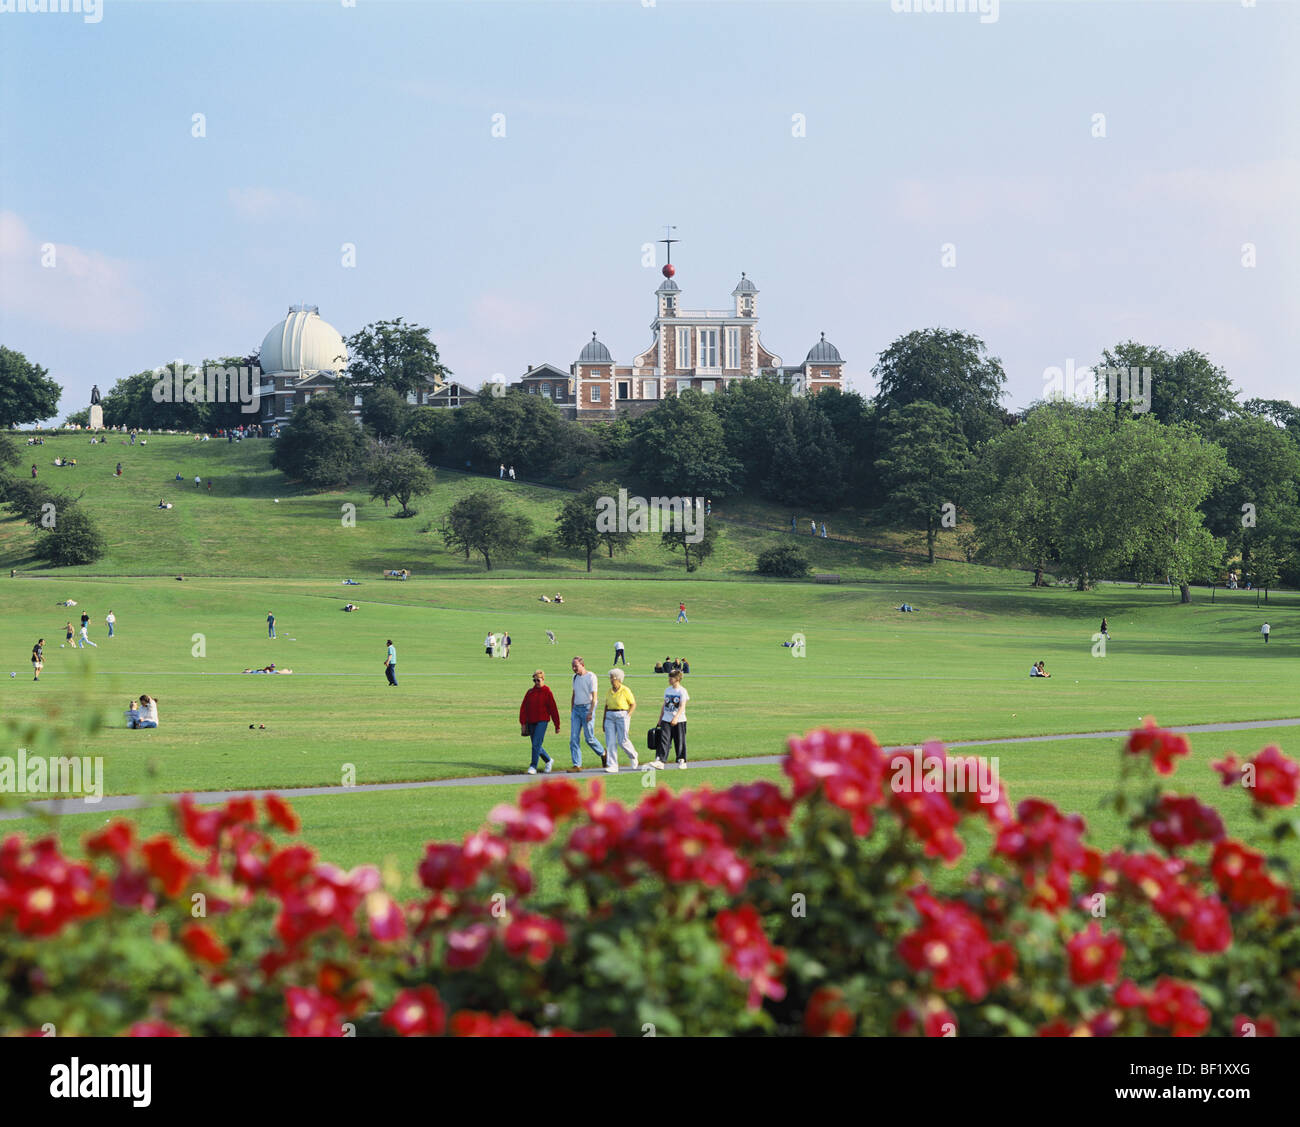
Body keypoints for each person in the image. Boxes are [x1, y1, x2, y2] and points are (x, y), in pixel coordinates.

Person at [568, 656, 607, 771]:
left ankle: (603, 753)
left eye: (576, 666)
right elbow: (574, 694)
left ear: (582, 665)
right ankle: (577, 765)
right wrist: (572, 709)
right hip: (576, 709)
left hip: (587, 708)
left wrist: (590, 712)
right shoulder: (574, 678)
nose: (574, 668)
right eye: (572, 666)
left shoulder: (591, 677)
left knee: (589, 738)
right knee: (573, 738)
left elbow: (594, 697)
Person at [519, 669, 560, 775]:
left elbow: (553, 709)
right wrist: (523, 723)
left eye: (538, 680)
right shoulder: (530, 692)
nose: (536, 682)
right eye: (534, 680)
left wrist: (557, 724)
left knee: (536, 744)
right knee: (536, 745)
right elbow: (523, 708)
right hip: (531, 721)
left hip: (542, 721)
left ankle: (533, 766)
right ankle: (548, 760)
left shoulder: (547, 692)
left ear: (543, 679)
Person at [601, 669, 638, 773]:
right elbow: (606, 706)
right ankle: (612, 765)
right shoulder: (609, 691)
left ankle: (633, 755)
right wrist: (603, 720)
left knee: (623, 741)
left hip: (622, 715)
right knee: (610, 742)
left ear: (619, 679)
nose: (611, 680)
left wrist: (628, 715)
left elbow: (633, 704)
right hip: (609, 716)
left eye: (613, 677)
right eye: (611, 677)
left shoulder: (625, 690)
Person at [655, 668, 690, 770]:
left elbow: (682, 706)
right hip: (666, 718)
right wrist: (660, 718)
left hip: (679, 720)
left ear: (677, 679)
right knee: (664, 740)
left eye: (671, 678)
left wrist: (676, 718)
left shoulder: (682, 691)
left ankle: (682, 760)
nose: (669, 680)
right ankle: (661, 761)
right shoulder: (667, 690)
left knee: (679, 741)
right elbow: (664, 704)